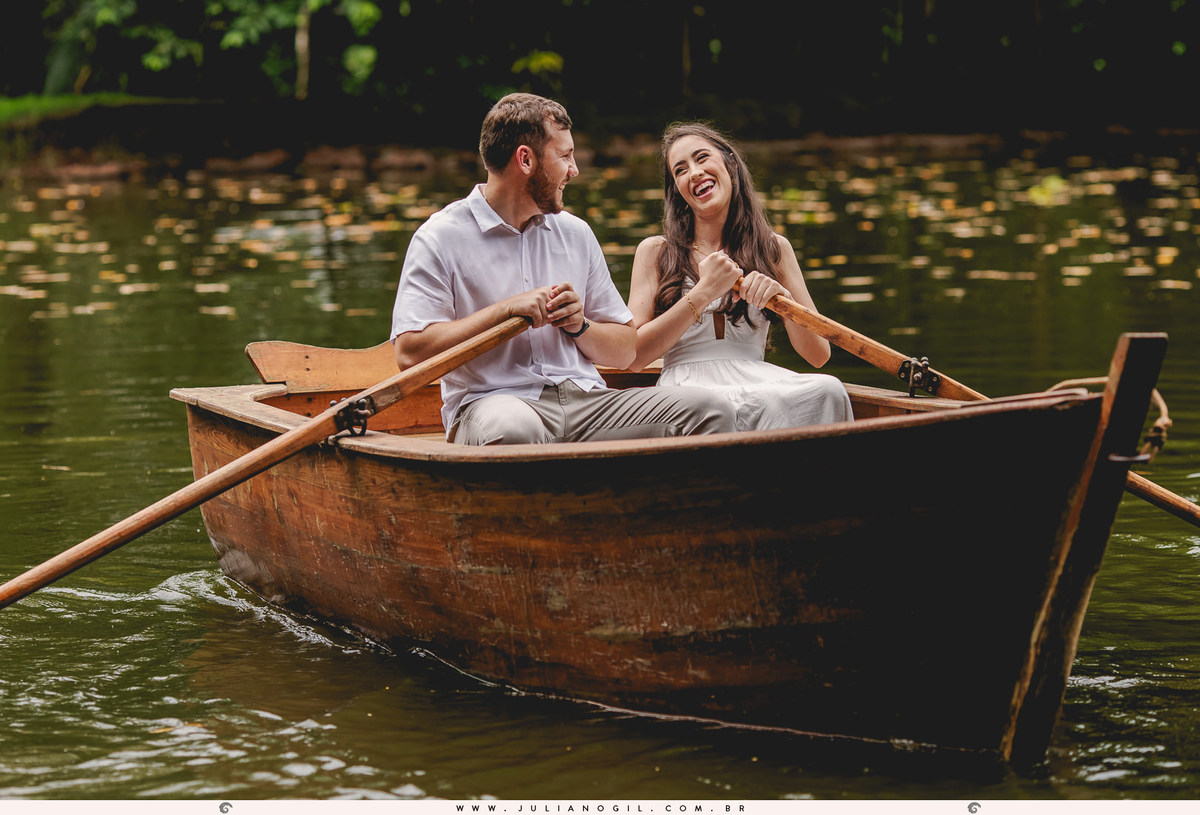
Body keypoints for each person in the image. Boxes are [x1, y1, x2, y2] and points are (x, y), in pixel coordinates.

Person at [390, 94, 735, 445]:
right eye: (565, 155)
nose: (574, 170)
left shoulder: (575, 232)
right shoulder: (439, 237)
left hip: (587, 402)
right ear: (525, 159)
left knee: (710, 408)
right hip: (493, 403)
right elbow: (410, 353)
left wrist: (580, 325)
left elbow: (626, 351)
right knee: (514, 430)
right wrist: (504, 311)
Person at [626, 122, 853, 432]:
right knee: (716, 407)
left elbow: (818, 355)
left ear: (729, 164)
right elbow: (633, 357)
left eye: (702, 157)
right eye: (680, 170)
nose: (694, 172)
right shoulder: (655, 252)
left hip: (757, 379)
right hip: (686, 388)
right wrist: (702, 293)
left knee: (829, 390)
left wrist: (782, 303)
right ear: (676, 190)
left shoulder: (773, 248)